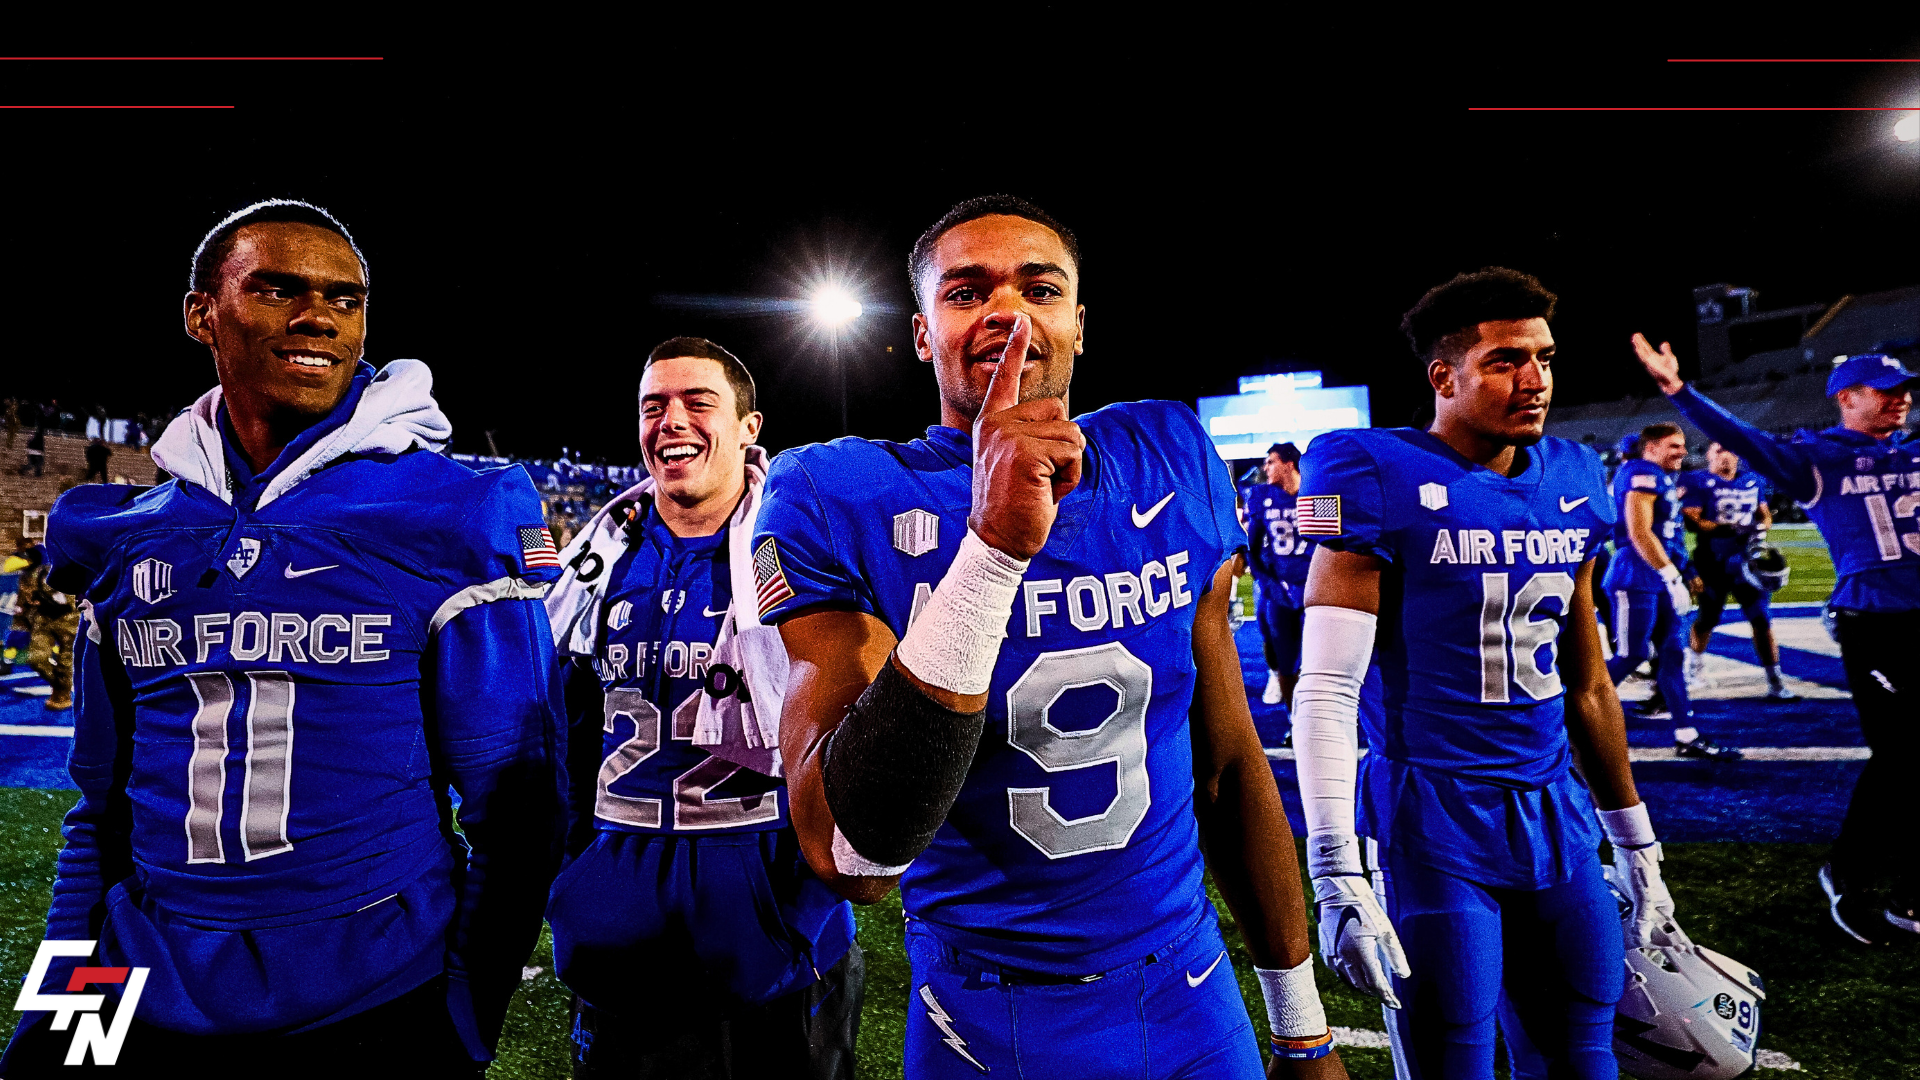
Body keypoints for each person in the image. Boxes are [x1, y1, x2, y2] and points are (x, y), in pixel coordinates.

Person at [757, 196, 1342, 1079]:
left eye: (1039, 286)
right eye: (966, 293)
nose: (1007, 310)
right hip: (984, 1020)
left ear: (1078, 322)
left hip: (1190, 992)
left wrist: (1301, 1027)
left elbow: (1224, 765)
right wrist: (989, 553)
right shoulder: (839, 493)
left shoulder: (1170, 453)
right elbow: (851, 854)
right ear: (923, 335)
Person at [1, 199, 564, 1076]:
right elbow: (100, 819)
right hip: (140, 996)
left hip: (375, 1006)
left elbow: (518, 814)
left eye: (346, 299)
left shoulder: (451, 512)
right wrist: (61, 1011)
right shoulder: (129, 533)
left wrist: (463, 1021)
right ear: (201, 314)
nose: (318, 317)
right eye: (277, 289)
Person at [1294, 268, 1671, 1079]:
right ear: (1445, 376)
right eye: (1505, 361)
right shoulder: (1368, 470)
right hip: (1434, 815)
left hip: (1557, 810)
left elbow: (1590, 684)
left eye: (1544, 357)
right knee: (1453, 1051)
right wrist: (1333, 868)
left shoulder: (1573, 477)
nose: (1534, 381)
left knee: (1585, 1050)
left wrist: (1636, 842)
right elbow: (1326, 687)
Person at [544, 336, 861, 1079]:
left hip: (776, 941)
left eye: (698, 403)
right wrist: (584, 886)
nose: (671, 421)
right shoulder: (598, 559)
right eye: (654, 407)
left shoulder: (801, 549)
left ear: (750, 428)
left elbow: (849, 731)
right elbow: (556, 737)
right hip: (618, 940)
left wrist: (798, 901)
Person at [1632, 337, 1920, 943]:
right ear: (1847, 398)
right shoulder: (1817, 460)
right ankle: (1849, 875)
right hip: (1877, 625)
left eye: (1905, 392)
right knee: (1903, 753)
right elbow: (1744, 438)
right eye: (1886, 392)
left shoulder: (1912, 454)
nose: (1902, 401)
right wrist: (1679, 391)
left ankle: (1908, 887)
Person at [1604, 424, 1739, 757]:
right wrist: (1671, 576)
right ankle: (1563, 717)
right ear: (1650, 448)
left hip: (1661, 577)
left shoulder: (1661, 476)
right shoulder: (1640, 472)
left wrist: (1685, 571)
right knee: (1632, 655)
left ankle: (1687, 734)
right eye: (1673, 446)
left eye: (1682, 446)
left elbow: (1669, 535)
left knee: (1672, 656)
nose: (1682, 451)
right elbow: (1639, 532)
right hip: (1636, 575)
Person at [1679, 441, 1795, 699]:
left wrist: (1762, 527)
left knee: (1761, 619)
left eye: (1730, 449)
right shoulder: (1698, 480)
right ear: (1708, 454)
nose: (1726, 456)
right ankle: (1694, 669)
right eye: (1719, 450)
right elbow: (1692, 519)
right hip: (1713, 560)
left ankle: (1775, 681)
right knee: (1708, 617)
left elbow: (1764, 514)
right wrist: (1730, 528)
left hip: (1748, 560)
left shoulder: (1751, 480)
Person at [1245, 442, 1315, 709]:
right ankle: (1292, 715)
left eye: (1271, 461)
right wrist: (1267, 583)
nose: (1266, 467)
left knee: (1321, 657)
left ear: (1289, 463)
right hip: (1278, 584)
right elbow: (1252, 546)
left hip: (1313, 585)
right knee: (1280, 650)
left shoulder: (1314, 492)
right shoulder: (1263, 495)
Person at [13, 545, 75, 710]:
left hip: (67, 620)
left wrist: (50, 596)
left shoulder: (52, 571)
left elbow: (67, 601)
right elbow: (23, 605)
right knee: (36, 659)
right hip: (44, 619)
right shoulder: (25, 577)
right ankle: (60, 686)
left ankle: (62, 693)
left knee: (65, 662)